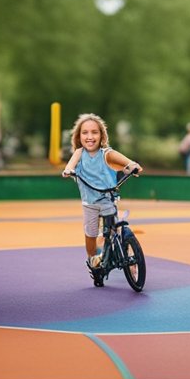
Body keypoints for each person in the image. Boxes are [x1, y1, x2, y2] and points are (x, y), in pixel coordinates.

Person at [62, 113, 141, 272]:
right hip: (89, 203)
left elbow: (128, 163)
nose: (90, 136)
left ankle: (128, 256)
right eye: (85, 133)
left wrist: (132, 166)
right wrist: (68, 170)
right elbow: (70, 165)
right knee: (90, 234)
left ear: (101, 135)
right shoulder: (79, 153)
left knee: (116, 230)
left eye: (94, 132)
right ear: (79, 136)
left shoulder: (107, 153)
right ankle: (93, 261)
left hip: (107, 200)